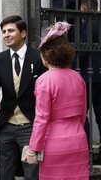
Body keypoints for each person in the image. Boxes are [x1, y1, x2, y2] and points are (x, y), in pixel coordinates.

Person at [24, 21, 89, 179]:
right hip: (78, 139)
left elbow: (42, 118)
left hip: (54, 142)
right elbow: (82, 113)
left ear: (46, 56)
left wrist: (33, 147)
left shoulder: (44, 80)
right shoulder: (78, 78)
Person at [0, 15, 47, 180]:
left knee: (32, 174)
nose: (6, 34)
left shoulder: (38, 58)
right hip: (6, 126)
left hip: (30, 127)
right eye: (4, 31)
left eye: (11, 30)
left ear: (23, 33)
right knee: (5, 175)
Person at [79, 0, 101, 164]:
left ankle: (85, 151)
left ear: (84, 9)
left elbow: (83, 50)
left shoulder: (88, 24)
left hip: (87, 76)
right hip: (99, 76)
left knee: (80, 115)